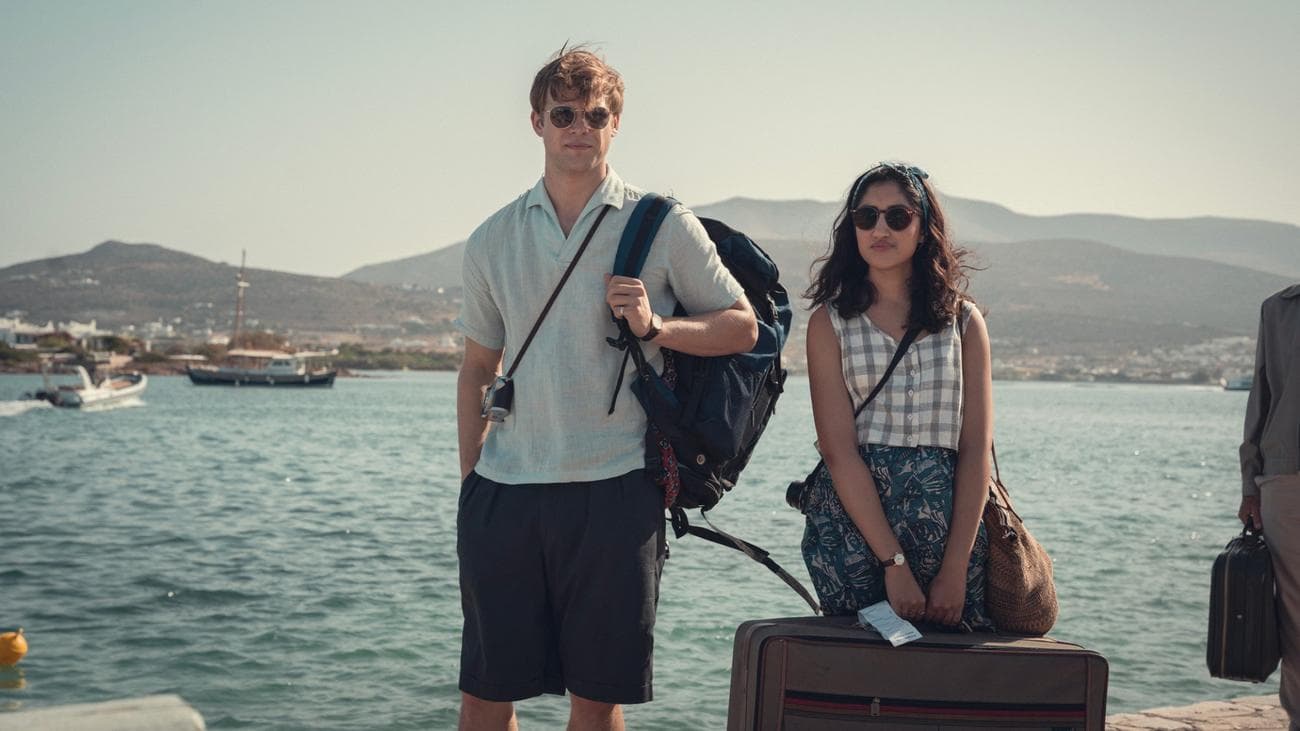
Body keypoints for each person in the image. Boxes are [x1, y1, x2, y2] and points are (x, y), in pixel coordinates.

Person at [453, 47, 756, 731]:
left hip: (616, 488)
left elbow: (742, 327)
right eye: (564, 113)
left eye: (597, 114)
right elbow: (477, 367)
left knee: (596, 701)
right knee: (484, 697)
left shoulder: (660, 223)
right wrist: (472, 479)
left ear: (615, 124)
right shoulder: (492, 238)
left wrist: (659, 325)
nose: (580, 127)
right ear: (536, 121)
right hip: (504, 492)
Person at [799, 162, 994, 630]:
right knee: (864, 674)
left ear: (923, 227)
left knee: (946, 679)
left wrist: (954, 569)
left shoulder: (963, 323)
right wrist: (894, 565)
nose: (880, 229)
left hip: (952, 531)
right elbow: (838, 451)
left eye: (897, 217)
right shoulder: (829, 324)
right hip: (855, 532)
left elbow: (974, 451)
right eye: (866, 218)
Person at [1238, 284, 1300, 730]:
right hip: (1284, 477)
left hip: (1283, 477)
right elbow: (1260, 395)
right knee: (1293, 616)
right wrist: (1250, 484)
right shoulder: (1278, 309)